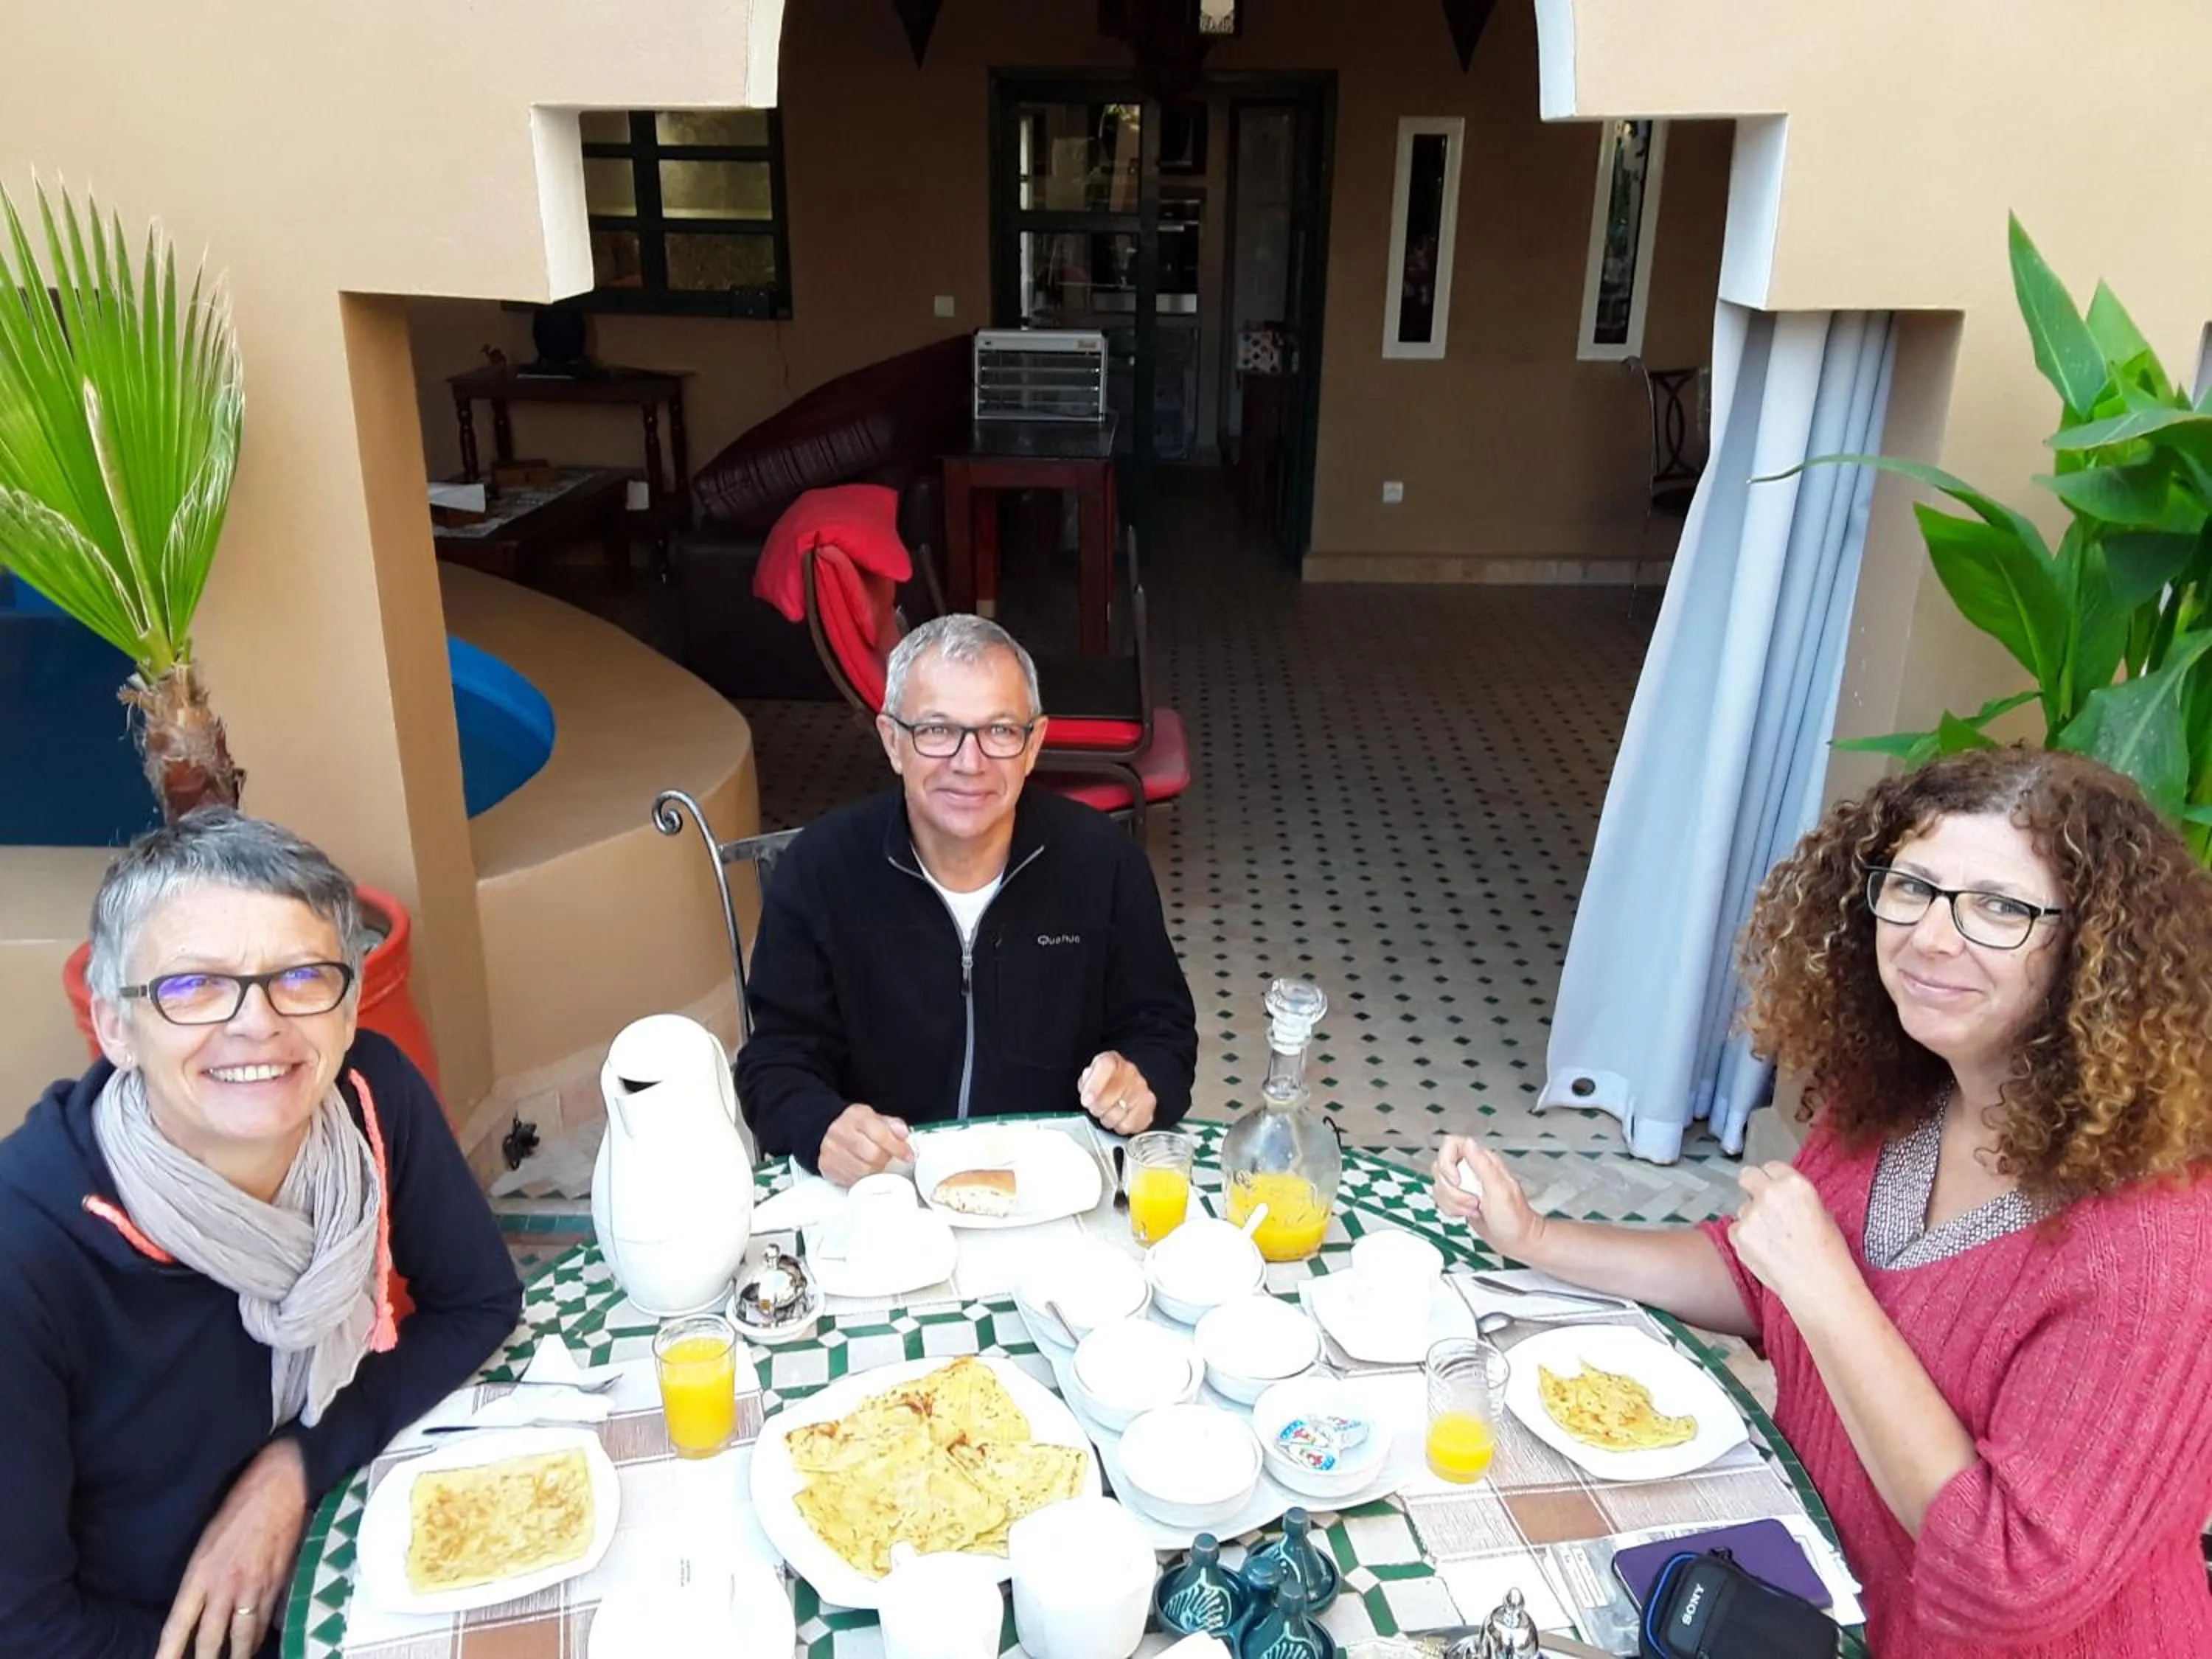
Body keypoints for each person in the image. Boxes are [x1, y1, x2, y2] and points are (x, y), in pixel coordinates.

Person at [1433, 749, 2212, 1658]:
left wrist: (1828, 1288)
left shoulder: (2158, 1241)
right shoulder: (1908, 1094)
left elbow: (2004, 1578)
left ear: (2095, 949)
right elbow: (1761, 1275)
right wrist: (1536, 1236)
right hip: (1811, 1599)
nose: (1932, 937)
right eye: (1912, 887)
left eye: (2000, 907)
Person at [0, 810, 523, 1659]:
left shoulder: (369, 1099)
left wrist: (292, 1467)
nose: (257, 1022)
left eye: (302, 976)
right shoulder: (25, 1253)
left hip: (355, 1537)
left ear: (347, 1008)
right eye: (194, 986)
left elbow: (479, 1302)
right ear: (116, 1025)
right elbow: (26, 1629)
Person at [738, 613, 1198, 1186]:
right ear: (892, 741)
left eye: (999, 730)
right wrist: (821, 1126)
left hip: (1055, 1190)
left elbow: (1163, 1033)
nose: (969, 762)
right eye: (937, 730)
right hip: (884, 1192)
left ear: (1034, 744)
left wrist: (1141, 1081)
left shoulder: (1104, 863)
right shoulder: (820, 869)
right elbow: (774, 1062)